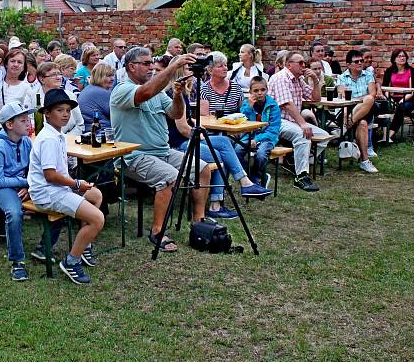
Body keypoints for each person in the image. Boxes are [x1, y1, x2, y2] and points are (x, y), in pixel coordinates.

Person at [110, 46, 213, 252]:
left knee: (203, 169)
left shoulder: (157, 91)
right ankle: (157, 231)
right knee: (170, 177)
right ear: (131, 66)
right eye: (146, 64)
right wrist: (173, 66)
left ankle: (199, 220)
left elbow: (175, 114)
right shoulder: (123, 89)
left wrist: (177, 95)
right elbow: (145, 93)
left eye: (151, 63)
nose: (151, 68)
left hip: (162, 152)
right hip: (133, 156)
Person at [167, 68, 272, 219]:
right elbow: (182, 129)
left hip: (187, 139)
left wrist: (197, 124)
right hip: (179, 144)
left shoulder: (184, 93)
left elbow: (187, 121)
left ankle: (245, 183)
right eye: (189, 69)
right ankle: (216, 205)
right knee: (217, 155)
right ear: (179, 72)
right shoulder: (174, 94)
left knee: (223, 141)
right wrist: (201, 136)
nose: (193, 72)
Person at [29, 89, 104, 285]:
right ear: (46, 113)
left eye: (68, 111)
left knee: (95, 195)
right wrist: (76, 184)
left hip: (55, 188)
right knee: (98, 219)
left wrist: (76, 185)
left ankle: (83, 245)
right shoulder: (48, 138)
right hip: (47, 193)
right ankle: (71, 261)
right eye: (60, 110)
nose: (65, 114)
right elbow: (51, 175)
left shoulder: (57, 135)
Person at [0, 102, 35, 281]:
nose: (28, 123)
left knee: (55, 197)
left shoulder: (26, 141)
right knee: (14, 213)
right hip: (1, 187)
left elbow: (32, 167)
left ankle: (43, 249)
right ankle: (17, 261)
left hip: (21, 183)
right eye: (23, 120)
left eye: (27, 119)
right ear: (9, 125)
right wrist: (26, 181)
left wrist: (29, 185)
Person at [268, 51, 328, 191]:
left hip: (290, 121)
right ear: (289, 65)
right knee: (303, 134)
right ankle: (301, 177)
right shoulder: (281, 78)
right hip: (276, 121)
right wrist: (302, 123)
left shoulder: (298, 79)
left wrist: (315, 80)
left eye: (304, 63)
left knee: (323, 137)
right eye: (300, 63)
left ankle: (293, 160)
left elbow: (315, 99)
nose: (303, 66)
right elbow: (287, 104)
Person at [336, 50, 378, 173]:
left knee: (369, 99)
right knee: (363, 124)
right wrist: (345, 112)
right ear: (349, 64)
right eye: (357, 61)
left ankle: (347, 126)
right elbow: (343, 97)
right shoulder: (342, 77)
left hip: (366, 108)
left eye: (361, 61)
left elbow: (372, 94)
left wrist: (359, 99)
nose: (360, 63)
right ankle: (365, 161)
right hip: (347, 110)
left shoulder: (368, 75)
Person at [236, 76, 281, 187]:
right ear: (250, 91)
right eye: (256, 91)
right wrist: (249, 108)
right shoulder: (247, 104)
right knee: (236, 152)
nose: (260, 93)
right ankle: (252, 174)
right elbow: (242, 121)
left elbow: (273, 129)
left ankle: (256, 176)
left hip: (267, 138)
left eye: (262, 90)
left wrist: (256, 140)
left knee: (260, 155)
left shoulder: (273, 106)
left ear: (267, 90)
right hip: (249, 136)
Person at [27, 62, 84, 135]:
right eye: (53, 75)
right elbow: (28, 122)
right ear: (42, 79)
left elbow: (80, 125)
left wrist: (64, 138)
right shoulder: (32, 95)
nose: (58, 77)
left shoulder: (70, 96)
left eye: (59, 74)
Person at [382, 49, 414, 142]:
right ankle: (384, 135)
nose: (402, 58)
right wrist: (390, 99)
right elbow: (385, 88)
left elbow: (413, 91)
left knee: (401, 107)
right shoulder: (389, 71)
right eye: (399, 56)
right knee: (384, 106)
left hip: (411, 99)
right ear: (394, 59)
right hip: (394, 98)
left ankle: (389, 136)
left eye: (404, 56)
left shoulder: (411, 71)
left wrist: (403, 99)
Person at [199, 52, 244, 117]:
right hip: (212, 126)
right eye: (220, 66)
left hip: (233, 125)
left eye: (225, 65)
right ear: (210, 70)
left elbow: (243, 113)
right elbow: (204, 116)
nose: (225, 68)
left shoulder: (236, 88)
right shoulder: (204, 89)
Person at [79, 63, 114, 134]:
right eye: (109, 76)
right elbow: (117, 115)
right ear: (99, 77)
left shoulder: (89, 88)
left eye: (113, 75)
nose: (112, 79)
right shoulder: (101, 92)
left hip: (89, 131)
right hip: (101, 133)